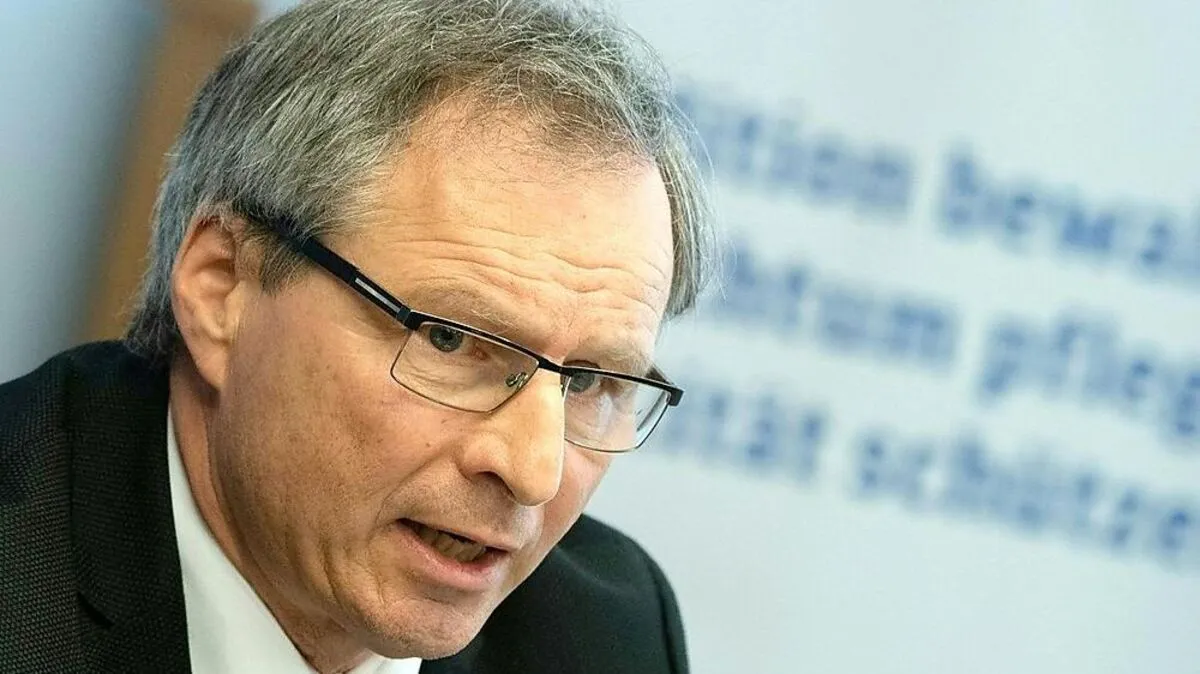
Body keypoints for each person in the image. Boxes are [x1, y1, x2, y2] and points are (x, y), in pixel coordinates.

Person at [0, 0, 716, 672]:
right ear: (223, 288)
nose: (533, 472)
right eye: (450, 340)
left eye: (587, 381)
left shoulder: (600, 634)